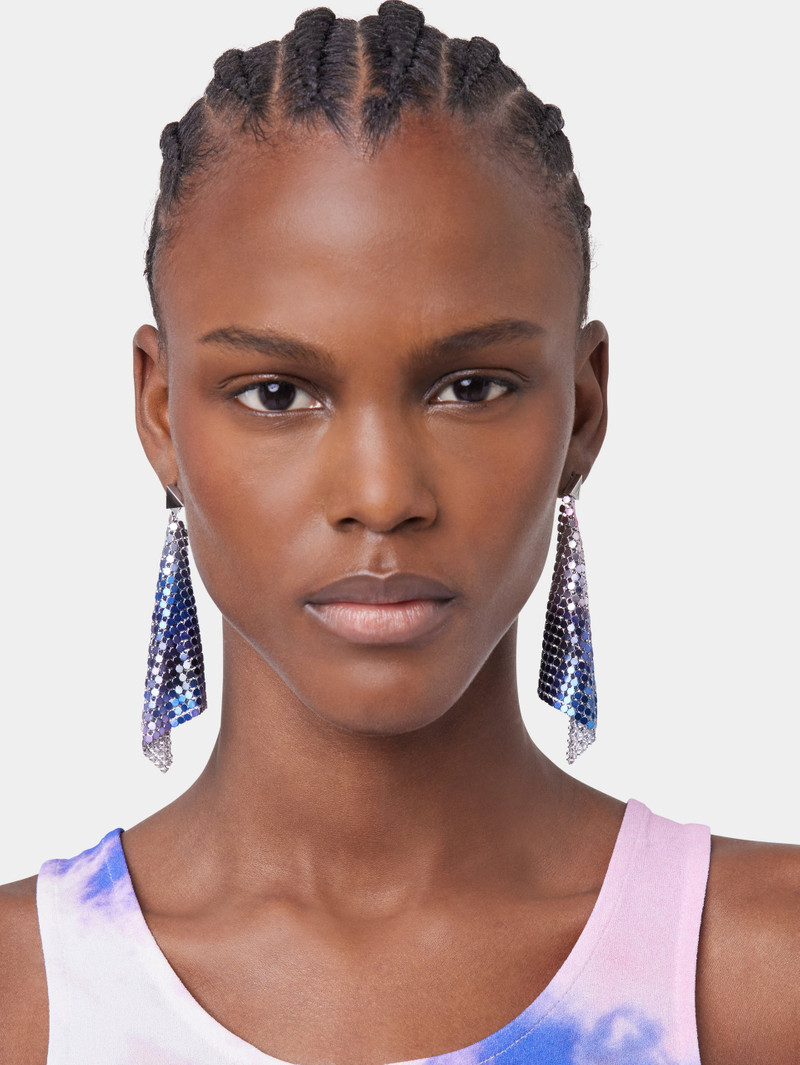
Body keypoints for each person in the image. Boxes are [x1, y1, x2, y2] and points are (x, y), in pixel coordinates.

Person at [1, 2, 797, 1062]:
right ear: (160, 414)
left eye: (470, 386)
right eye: (277, 393)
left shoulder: (762, 973)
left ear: (582, 409)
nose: (381, 496)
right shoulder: (22, 998)